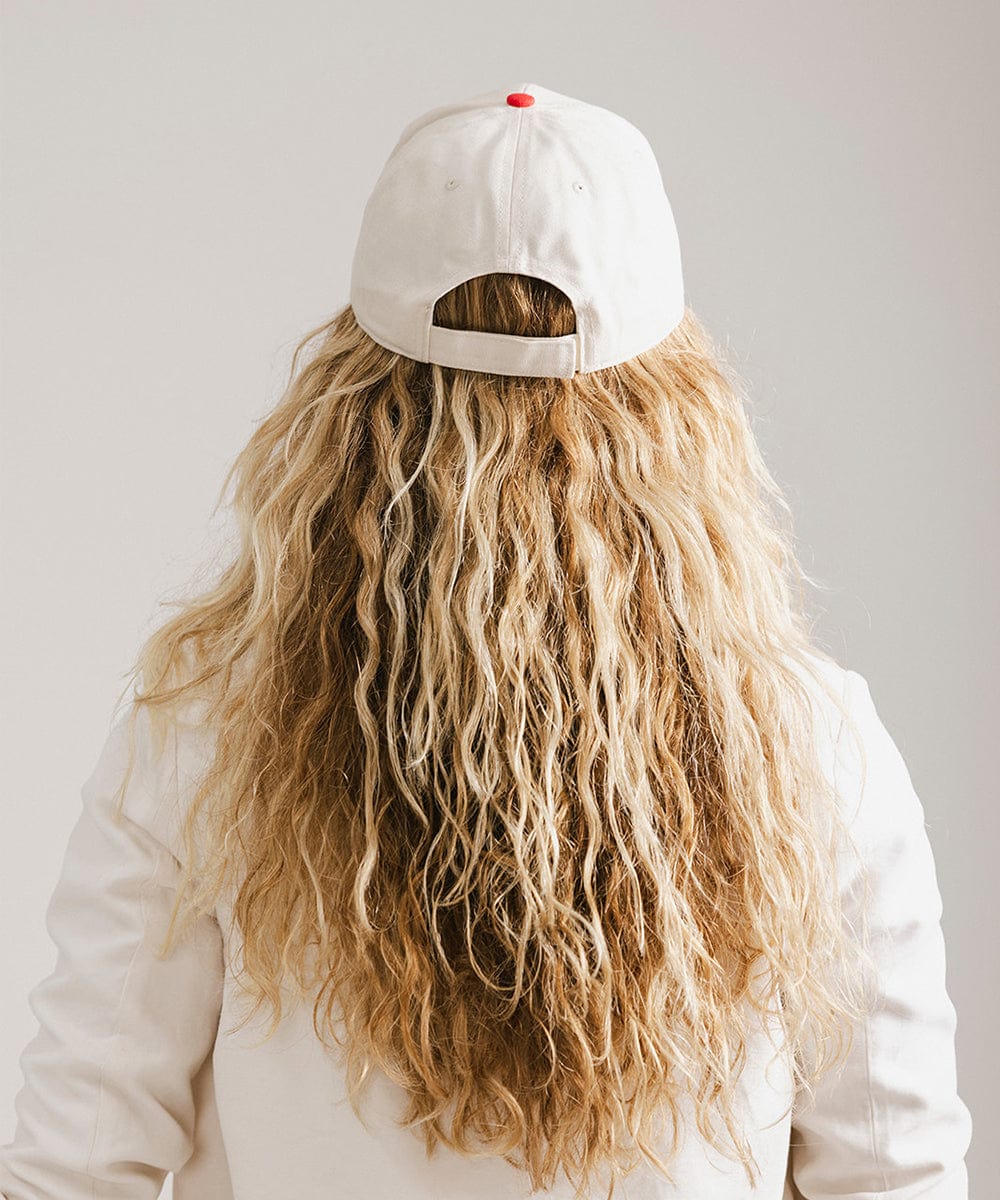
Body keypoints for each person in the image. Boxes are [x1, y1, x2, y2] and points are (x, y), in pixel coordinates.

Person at [0, 82, 972, 1200]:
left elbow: (73, 1171)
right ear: (677, 410)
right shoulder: (815, 749)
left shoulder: (205, 733)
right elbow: (894, 1179)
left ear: (351, 405)